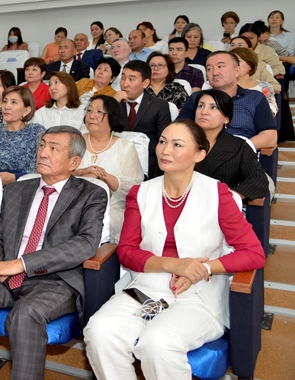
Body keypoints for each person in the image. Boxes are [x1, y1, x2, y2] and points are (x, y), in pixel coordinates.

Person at [84, 121, 266, 380]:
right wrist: (175, 265)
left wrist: (203, 268)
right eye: (162, 142)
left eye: (177, 145)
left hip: (198, 295)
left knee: (158, 342)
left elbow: (254, 253)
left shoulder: (217, 194)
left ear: (199, 154)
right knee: (100, 332)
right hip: (146, 290)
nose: (165, 150)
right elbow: (127, 252)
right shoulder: (141, 193)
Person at [0, 126, 107, 380]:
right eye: (42, 145)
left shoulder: (91, 194)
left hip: (55, 281)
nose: (43, 153)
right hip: (3, 276)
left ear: (73, 162)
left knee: (25, 315)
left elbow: (85, 244)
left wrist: (22, 264)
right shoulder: (17, 190)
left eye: (53, 148)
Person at [74, 95, 144, 242]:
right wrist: (82, 172)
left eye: (99, 111)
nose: (92, 115)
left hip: (110, 208)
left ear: (112, 116)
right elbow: (58, 172)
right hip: (73, 203)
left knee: (98, 223)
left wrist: (104, 178)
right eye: (89, 110)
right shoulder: (75, 141)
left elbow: (133, 187)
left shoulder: (125, 147)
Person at [178, 51, 277, 151]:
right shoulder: (197, 98)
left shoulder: (255, 98)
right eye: (209, 69)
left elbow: (270, 136)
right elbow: (179, 129)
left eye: (220, 66)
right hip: (202, 152)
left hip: (240, 153)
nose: (215, 72)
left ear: (237, 71)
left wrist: (240, 149)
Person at [193, 90, 269, 201]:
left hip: (220, 205)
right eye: (201, 106)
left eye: (213, 107)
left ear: (226, 118)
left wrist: (227, 196)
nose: (204, 112)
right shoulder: (180, 141)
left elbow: (258, 181)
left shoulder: (239, 147)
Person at [0, 86, 46, 185]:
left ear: (26, 110)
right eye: (5, 101)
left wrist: (15, 177)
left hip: (23, 185)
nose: (7, 106)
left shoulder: (36, 131)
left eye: (14, 102)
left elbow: (44, 166)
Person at [114, 60, 172, 178]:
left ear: (145, 83)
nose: (125, 84)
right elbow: (98, 128)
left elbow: (163, 140)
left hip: (147, 158)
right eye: (123, 78)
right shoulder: (114, 102)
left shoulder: (159, 105)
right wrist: (113, 103)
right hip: (115, 155)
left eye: (131, 79)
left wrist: (136, 148)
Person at [231, 47, 278, 116]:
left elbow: (271, 109)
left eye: (238, 61)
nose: (233, 65)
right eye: (231, 61)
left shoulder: (263, 86)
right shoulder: (222, 86)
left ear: (250, 65)